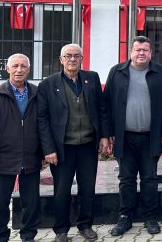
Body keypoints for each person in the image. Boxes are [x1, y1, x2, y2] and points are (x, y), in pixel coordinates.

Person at [104, 36, 162, 236]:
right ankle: (125, 217)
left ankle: (150, 217)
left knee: (149, 178)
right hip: (124, 137)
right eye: (138, 50)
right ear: (131, 52)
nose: (141, 53)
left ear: (151, 53)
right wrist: (108, 133)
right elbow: (106, 103)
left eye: (145, 50)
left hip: (150, 137)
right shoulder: (117, 72)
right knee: (126, 179)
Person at [38, 44, 110, 242]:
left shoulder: (92, 78)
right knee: (61, 190)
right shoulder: (48, 84)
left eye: (76, 56)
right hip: (62, 147)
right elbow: (42, 119)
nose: (72, 59)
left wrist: (104, 135)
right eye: (68, 56)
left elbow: (101, 108)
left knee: (88, 188)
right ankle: (61, 230)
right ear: (61, 59)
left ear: (82, 58)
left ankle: (85, 225)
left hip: (87, 144)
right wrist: (48, 149)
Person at [0, 54, 42, 242]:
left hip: (30, 156)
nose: (19, 70)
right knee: (0, 203)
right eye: (15, 66)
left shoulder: (36, 93)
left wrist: (42, 153)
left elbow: (43, 126)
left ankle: (28, 234)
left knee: (31, 201)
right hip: (3, 157)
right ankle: (0, 236)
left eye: (23, 66)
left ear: (29, 69)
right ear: (7, 68)